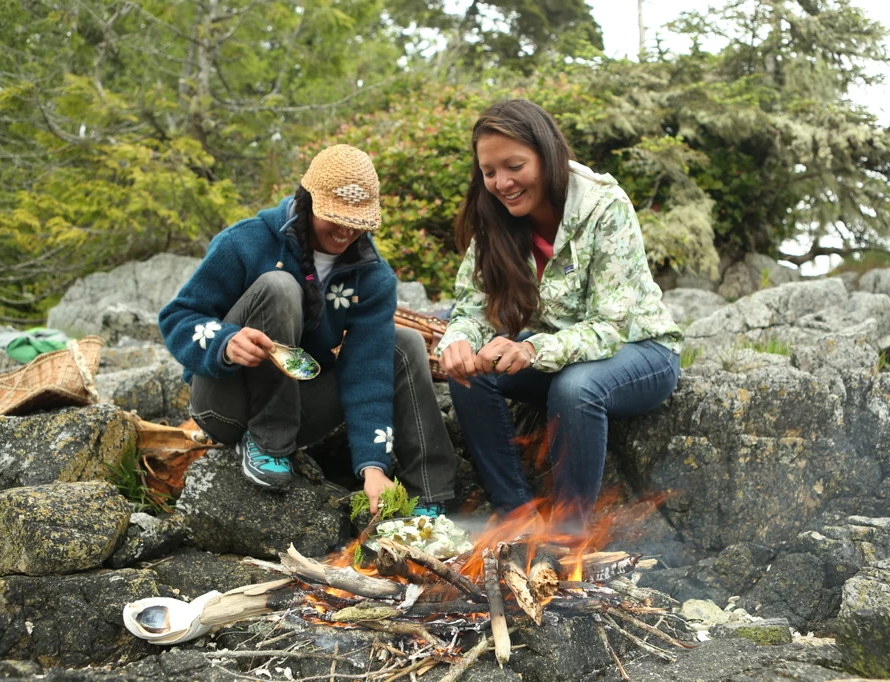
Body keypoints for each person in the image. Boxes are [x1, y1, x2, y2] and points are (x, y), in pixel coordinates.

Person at [160, 144, 456, 515]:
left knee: (404, 343)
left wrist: (373, 466)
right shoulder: (246, 242)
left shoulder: (373, 277)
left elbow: (369, 372)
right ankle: (268, 444)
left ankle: (427, 494)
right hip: (224, 404)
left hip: (302, 409)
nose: (347, 229)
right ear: (308, 199)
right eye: (336, 216)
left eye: (358, 220)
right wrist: (225, 342)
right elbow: (178, 316)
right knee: (280, 286)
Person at [436, 100, 682, 532]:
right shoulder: (494, 218)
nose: (502, 183)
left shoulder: (604, 205)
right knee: (472, 372)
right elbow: (472, 307)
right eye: (489, 172)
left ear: (547, 154)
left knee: (575, 387)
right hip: (552, 352)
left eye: (514, 166)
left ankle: (569, 536)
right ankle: (517, 519)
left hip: (640, 349)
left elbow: (610, 326)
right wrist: (457, 340)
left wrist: (531, 348)